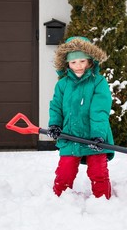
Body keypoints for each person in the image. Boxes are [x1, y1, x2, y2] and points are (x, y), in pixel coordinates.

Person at [47, 36, 114, 199]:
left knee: (98, 172)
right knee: (64, 173)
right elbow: (56, 107)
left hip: (95, 137)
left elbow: (99, 111)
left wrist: (98, 135)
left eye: (82, 61)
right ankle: (58, 201)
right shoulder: (62, 85)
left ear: (90, 61)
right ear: (67, 64)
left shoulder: (98, 82)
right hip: (70, 136)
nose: (78, 66)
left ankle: (103, 201)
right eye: (73, 62)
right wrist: (55, 125)